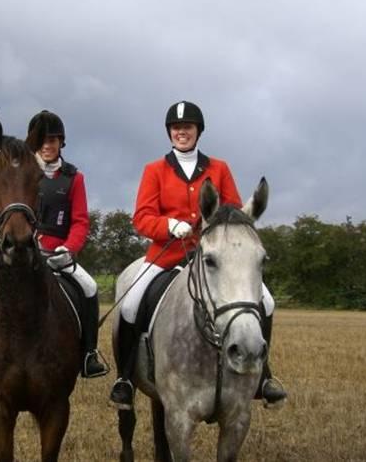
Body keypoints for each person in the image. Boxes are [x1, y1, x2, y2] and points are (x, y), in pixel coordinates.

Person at [109, 100, 287, 409]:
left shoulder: (219, 168)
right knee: (132, 302)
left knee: (266, 301)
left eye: (187, 127)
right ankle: (125, 378)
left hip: (214, 257)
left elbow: (232, 210)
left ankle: (262, 377)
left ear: (197, 131)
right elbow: (142, 218)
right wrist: (169, 225)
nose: (182, 132)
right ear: (170, 133)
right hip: (166, 255)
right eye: (177, 128)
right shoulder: (155, 170)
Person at [0, 110, 108, 379]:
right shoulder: (20, 170)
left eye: (53, 140)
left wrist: (69, 248)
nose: (48, 146)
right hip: (14, 245)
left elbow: (80, 221)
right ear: (34, 143)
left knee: (89, 287)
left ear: (61, 143)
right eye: (44, 141)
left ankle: (89, 354)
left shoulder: (73, 177)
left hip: (56, 251)